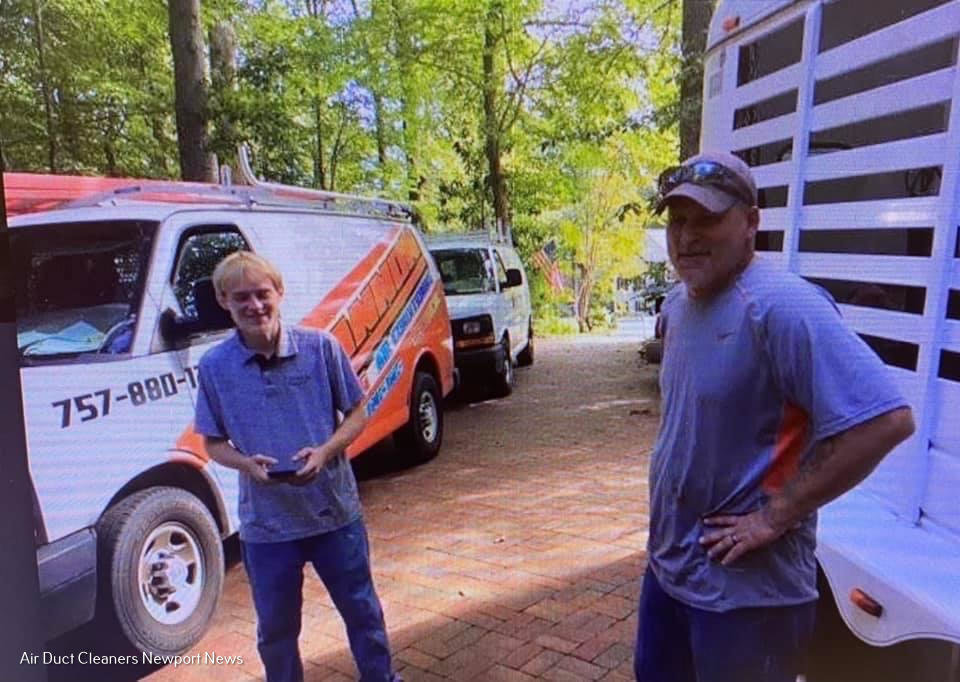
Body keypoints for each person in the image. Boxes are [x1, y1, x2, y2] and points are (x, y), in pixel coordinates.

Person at [634, 151, 915, 682]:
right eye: (678, 220)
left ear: (751, 222)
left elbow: (888, 420)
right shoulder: (678, 304)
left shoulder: (784, 307)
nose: (687, 236)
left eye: (708, 218)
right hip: (670, 575)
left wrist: (774, 515)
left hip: (747, 600)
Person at [193, 251, 400, 682]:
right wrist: (246, 464)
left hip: (333, 513)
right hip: (267, 527)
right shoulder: (214, 367)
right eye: (241, 297)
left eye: (262, 294)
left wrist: (325, 451)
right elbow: (212, 442)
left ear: (279, 293)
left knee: (362, 612)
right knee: (276, 632)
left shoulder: (320, 348)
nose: (254, 306)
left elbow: (358, 412)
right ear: (223, 300)